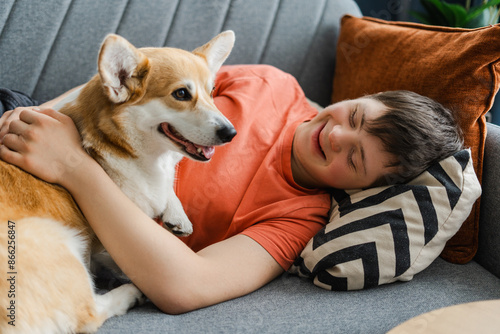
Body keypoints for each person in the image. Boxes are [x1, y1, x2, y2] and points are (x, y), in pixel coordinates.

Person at [0, 65, 463, 314]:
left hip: (54, 219)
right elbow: (138, 80)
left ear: (362, 191)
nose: (337, 137)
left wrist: (73, 167)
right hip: (41, 132)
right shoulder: (272, 85)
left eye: (355, 159)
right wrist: (33, 120)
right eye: (355, 116)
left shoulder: (298, 218)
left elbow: (185, 287)